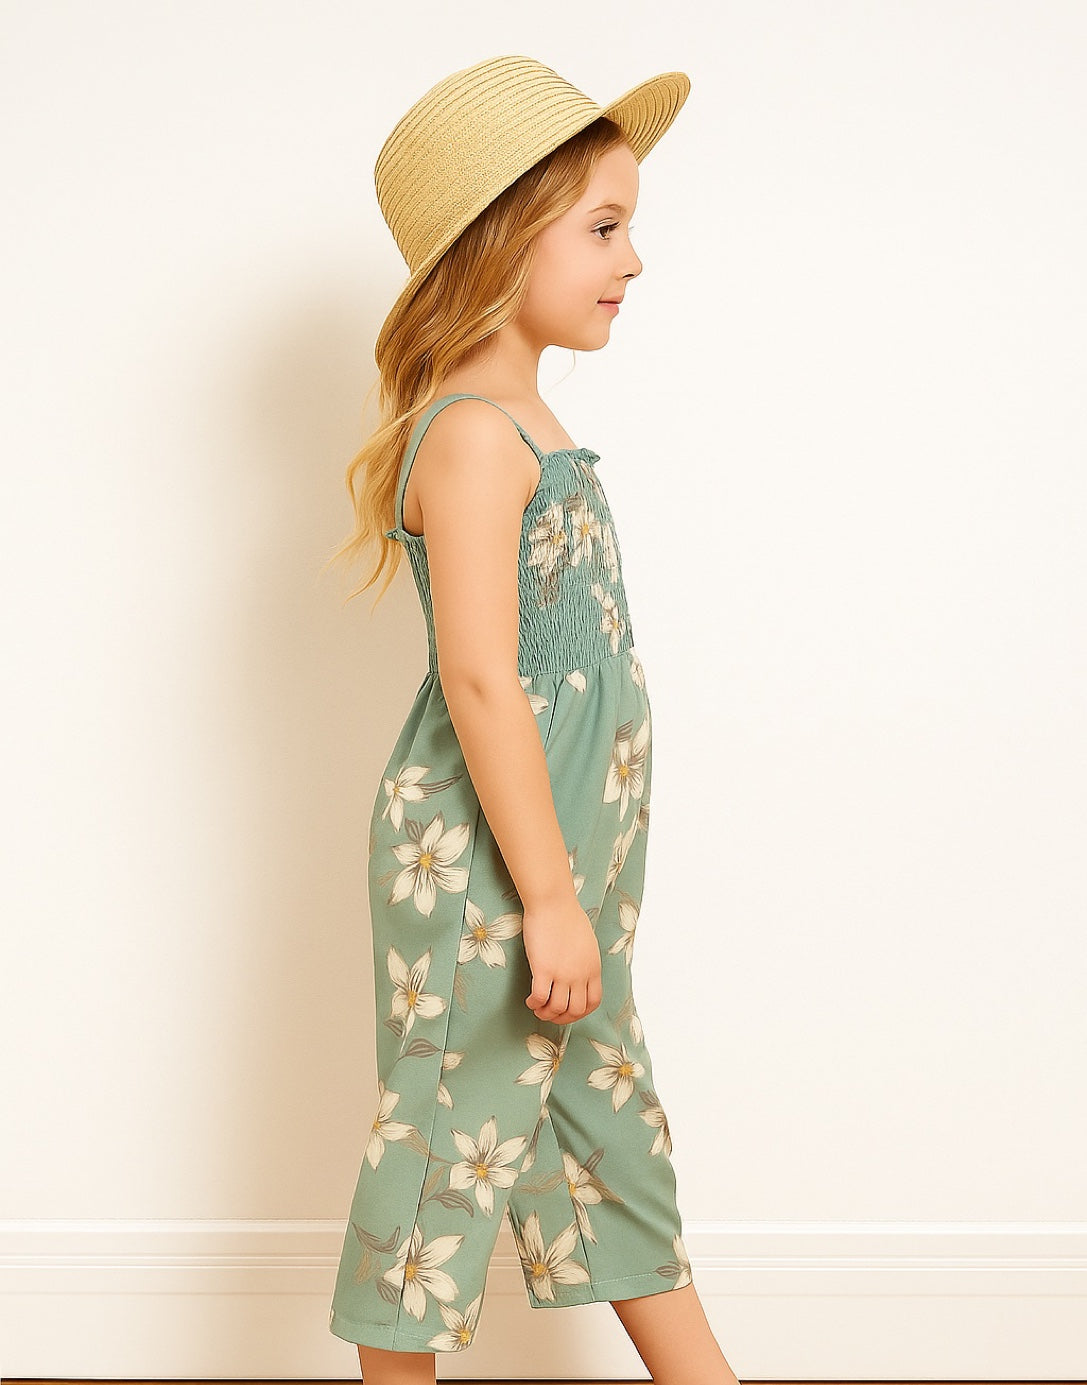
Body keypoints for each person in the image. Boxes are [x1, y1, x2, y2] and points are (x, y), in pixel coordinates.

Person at [324, 54, 740, 1385]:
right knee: (450, 1131)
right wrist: (548, 895)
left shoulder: (530, 421)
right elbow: (485, 680)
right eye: (604, 227)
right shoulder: (470, 435)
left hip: (563, 865)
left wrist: (578, 892)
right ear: (504, 241)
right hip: (494, 864)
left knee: (603, 1115)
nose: (635, 259)